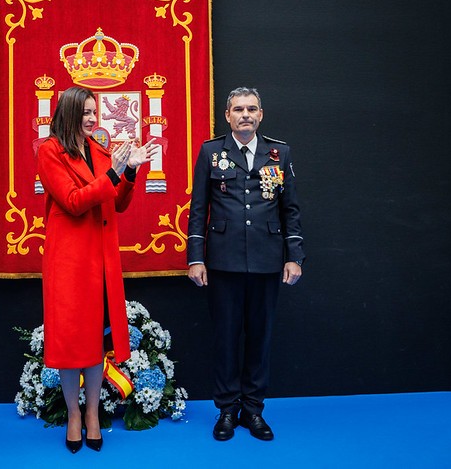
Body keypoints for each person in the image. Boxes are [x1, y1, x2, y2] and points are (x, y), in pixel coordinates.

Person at [36, 86, 158, 454]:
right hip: (69, 260)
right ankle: (74, 414)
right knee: (71, 341)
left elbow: (117, 203)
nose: (92, 118)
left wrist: (130, 171)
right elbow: (73, 202)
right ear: (69, 114)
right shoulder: (50, 151)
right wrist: (114, 174)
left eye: (94, 112)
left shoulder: (102, 152)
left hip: (102, 258)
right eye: (85, 112)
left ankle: (92, 412)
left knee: (93, 339)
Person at [187, 87, 304, 442]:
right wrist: (196, 257)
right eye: (238, 109)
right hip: (223, 261)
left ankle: (253, 409)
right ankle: (226, 409)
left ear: (261, 115)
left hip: (267, 260)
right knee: (226, 338)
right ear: (227, 116)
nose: (245, 115)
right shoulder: (211, 152)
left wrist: (294, 256)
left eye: (251, 109)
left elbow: (290, 209)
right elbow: (198, 208)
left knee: (259, 337)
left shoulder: (279, 153)